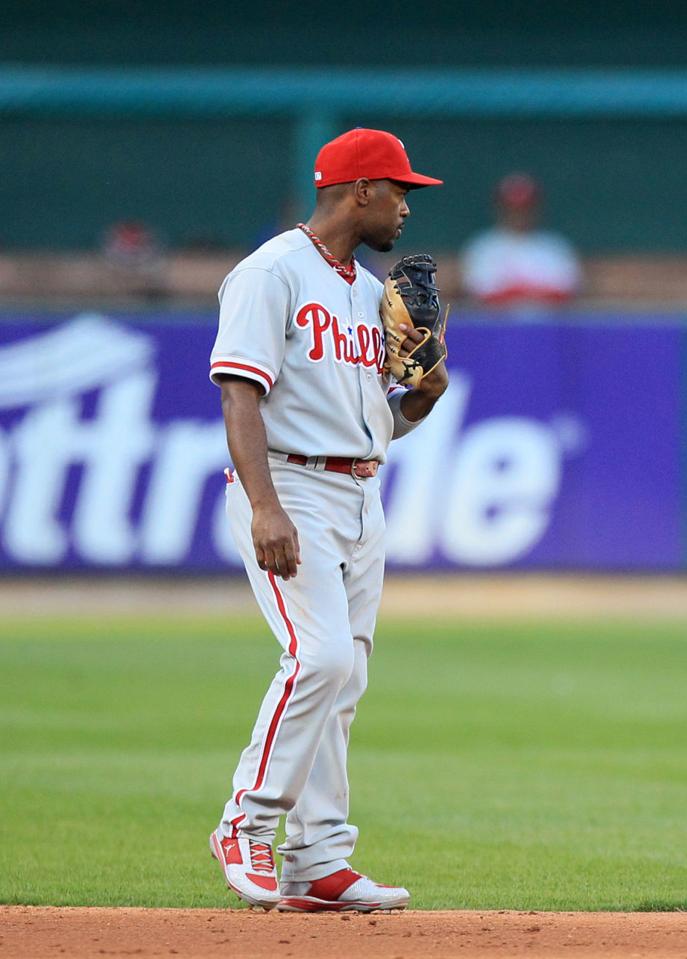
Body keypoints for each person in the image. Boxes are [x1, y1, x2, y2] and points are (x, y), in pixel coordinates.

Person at [207, 127, 447, 913]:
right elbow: (239, 393)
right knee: (318, 658)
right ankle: (247, 822)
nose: (409, 208)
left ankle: (319, 856)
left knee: (347, 678)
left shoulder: (361, 290)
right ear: (362, 190)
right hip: (289, 486)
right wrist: (265, 506)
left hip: (358, 490)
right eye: (402, 190)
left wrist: (421, 396)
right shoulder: (270, 272)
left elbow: (374, 420)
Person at [460, 172, 582, 307]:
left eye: (525, 207)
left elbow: (565, 293)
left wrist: (520, 293)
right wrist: (530, 293)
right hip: (496, 326)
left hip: (547, 325)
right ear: (500, 208)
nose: (519, 214)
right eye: (512, 208)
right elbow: (480, 294)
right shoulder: (483, 247)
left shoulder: (555, 246)